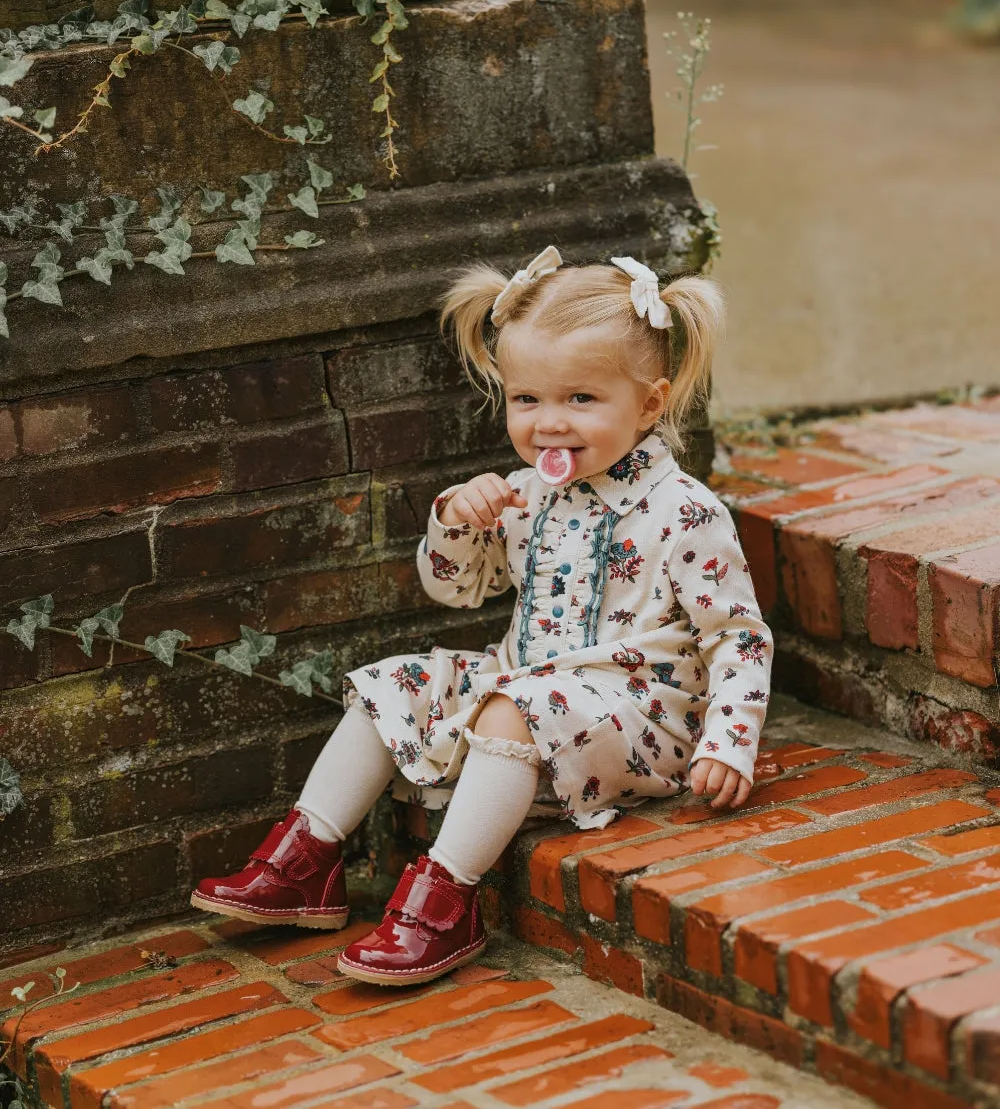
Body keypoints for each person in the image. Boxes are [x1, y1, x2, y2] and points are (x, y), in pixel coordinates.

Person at [191, 245, 772, 985]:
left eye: (581, 400)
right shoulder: (529, 495)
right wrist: (459, 522)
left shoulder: (684, 511)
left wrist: (729, 743)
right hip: (527, 685)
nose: (549, 424)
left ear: (650, 404)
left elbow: (738, 637)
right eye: (527, 400)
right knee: (392, 684)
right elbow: (457, 589)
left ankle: (445, 899)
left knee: (508, 709)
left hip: (641, 718)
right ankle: (306, 861)